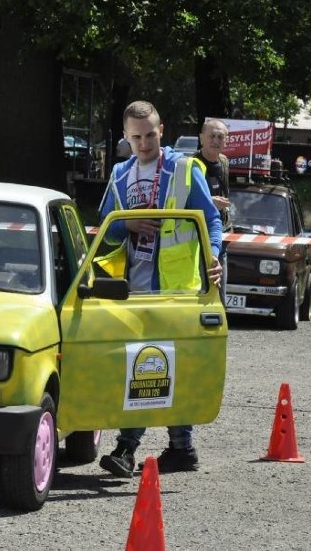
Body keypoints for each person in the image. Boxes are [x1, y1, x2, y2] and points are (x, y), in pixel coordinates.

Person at [97, 100, 222, 478]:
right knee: (147, 364)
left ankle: (127, 448)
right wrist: (129, 226)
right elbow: (105, 225)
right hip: (135, 287)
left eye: (150, 134)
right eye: (136, 136)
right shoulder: (120, 175)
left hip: (179, 288)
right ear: (126, 137)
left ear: (162, 130)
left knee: (155, 366)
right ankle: (181, 449)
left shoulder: (184, 169)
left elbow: (211, 221)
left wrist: (213, 257)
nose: (145, 142)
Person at [193, 118, 231, 299]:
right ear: (201, 138)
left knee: (219, 293)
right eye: (211, 136)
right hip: (197, 239)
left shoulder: (224, 162)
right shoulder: (190, 165)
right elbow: (181, 201)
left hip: (221, 235)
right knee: (201, 290)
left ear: (226, 140)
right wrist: (208, 201)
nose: (216, 141)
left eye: (220, 137)